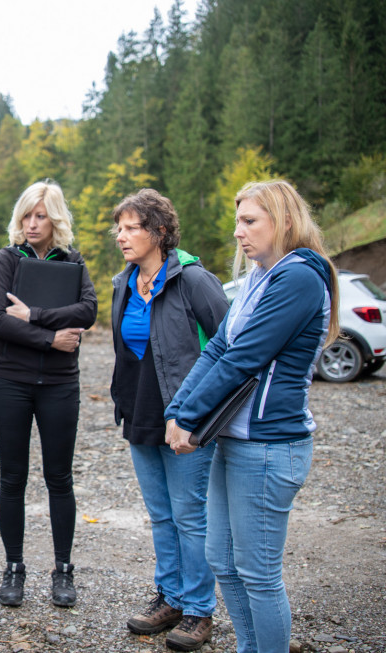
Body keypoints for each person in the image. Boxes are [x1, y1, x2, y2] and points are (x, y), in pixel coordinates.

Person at [165, 180, 340, 653]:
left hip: (270, 447)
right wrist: (178, 409)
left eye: (249, 221)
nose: (238, 232)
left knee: (259, 574)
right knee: (222, 559)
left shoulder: (300, 276)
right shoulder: (260, 276)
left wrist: (190, 420)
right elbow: (218, 346)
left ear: (283, 221)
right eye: (237, 221)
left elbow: (245, 357)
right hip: (237, 441)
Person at [109, 190, 229, 651]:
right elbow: (126, 353)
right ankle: (172, 598)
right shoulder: (123, 282)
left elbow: (230, 350)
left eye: (131, 227)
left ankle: (199, 611)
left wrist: (202, 412)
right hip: (140, 414)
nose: (121, 236)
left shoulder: (194, 281)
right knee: (161, 515)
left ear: (159, 231)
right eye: (118, 228)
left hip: (186, 419)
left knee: (189, 516)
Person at [0, 180, 97, 608]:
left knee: (59, 479)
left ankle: (63, 570)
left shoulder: (73, 261)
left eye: (41, 215)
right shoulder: (7, 259)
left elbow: (88, 310)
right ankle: (14, 567)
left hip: (59, 385)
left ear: (55, 219)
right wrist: (51, 338)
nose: (32, 224)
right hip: (9, 381)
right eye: (27, 215)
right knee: (12, 478)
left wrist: (34, 314)